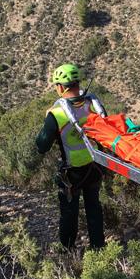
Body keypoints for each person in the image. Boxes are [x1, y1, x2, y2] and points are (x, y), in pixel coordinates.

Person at [36, 64, 107, 251]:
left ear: (60, 87)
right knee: (94, 208)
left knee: (69, 211)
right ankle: (98, 249)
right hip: (94, 167)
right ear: (77, 83)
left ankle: (68, 251)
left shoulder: (57, 114)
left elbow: (41, 146)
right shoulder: (92, 104)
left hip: (71, 172)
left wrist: (48, 123)